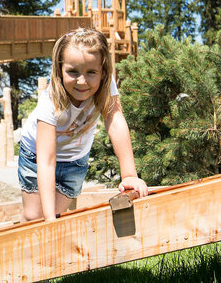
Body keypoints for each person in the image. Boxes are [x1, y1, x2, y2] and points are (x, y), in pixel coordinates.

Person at [18, 28, 148, 222]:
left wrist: (129, 174)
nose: (82, 81)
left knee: (57, 215)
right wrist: (48, 219)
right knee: (35, 216)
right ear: (59, 70)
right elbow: (46, 160)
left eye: (91, 72)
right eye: (73, 71)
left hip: (74, 160)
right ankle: (26, 247)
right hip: (36, 156)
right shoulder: (50, 100)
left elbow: (115, 121)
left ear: (103, 73)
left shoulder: (106, 85)